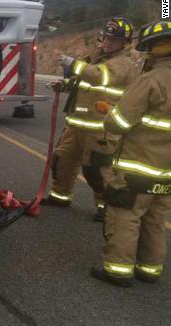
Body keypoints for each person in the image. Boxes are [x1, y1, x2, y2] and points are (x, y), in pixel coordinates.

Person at [89, 20, 171, 287]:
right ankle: (150, 268)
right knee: (155, 219)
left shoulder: (151, 80)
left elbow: (120, 123)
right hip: (166, 171)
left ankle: (118, 270)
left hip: (138, 165)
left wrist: (109, 112)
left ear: (156, 50)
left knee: (126, 215)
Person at [43, 17, 139, 221]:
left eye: (115, 40)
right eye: (107, 38)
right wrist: (65, 85)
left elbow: (98, 77)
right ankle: (61, 195)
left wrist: (71, 62)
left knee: (97, 169)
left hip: (101, 129)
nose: (108, 43)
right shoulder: (96, 59)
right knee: (62, 160)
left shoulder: (123, 64)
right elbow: (84, 81)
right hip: (76, 123)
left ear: (125, 43)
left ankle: (106, 207)